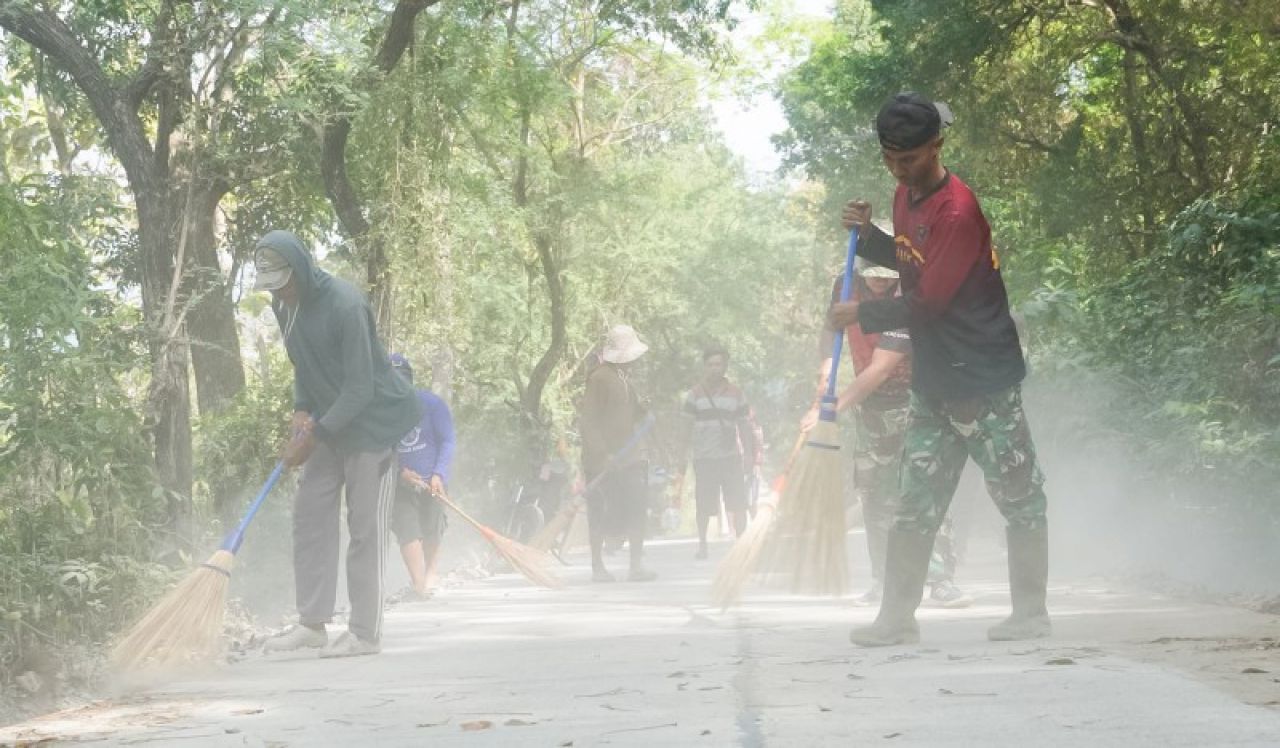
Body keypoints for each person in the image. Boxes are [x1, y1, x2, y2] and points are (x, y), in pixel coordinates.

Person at [831, 93, 1050, 646]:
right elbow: (911, 260)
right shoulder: (905, 195)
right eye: (889, 159)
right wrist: (871, 236)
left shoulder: (958, 211)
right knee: (913, 504)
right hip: (934, 381)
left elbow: (928, 299)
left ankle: (1031, 613)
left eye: (907, 159)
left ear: (937, 146)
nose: (897, 169)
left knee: (1019, 497)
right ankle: (896, 619)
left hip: (984, 379)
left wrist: (862, 313)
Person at [253, 230, 420, 658]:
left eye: (284, 284)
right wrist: (301, 409)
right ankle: (312, 624)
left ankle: (365, 633)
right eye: (272, 287)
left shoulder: (345, 305)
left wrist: (315, 436)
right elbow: (303, 365)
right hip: (331, 420)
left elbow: (361, 388)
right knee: (309, 515)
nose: (280, 293)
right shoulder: (284, 306)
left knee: (365, 529)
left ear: (301, 270)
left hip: (373, 424)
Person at [805, 257, 972, 609]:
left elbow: (881, 368)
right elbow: (831, 327)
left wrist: (831, 409)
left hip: (918, 402)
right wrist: (826, 368)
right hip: (871, 409)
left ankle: (940, 580)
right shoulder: (845, 285)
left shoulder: (910, 294)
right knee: (874, 494)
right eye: (874, 278)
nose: (880, 284)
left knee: (924, 487)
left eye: (887, 278)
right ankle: (885, 580)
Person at [579, 324, 657, 583]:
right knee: (599, 511)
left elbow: (631, 413)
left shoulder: (624, 378)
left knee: (636, 506)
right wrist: (603, 454)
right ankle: (597, 566)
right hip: (602, 460)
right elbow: (589, 421)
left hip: (629, 457)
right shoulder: (600, 378)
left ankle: (636, 565)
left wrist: (643, 410)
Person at [676, 346, 757, 559]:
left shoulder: (736, 394)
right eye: (710, 364)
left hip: (730, 458)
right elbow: (685, 428)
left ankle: (741, 545)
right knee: (703, 505)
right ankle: (702, 544)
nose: (714, 368)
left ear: (725, 366)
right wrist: (681, 456)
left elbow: (745, 425)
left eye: (718, 364)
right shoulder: (694, 395)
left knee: (738, 503)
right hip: (704, 459)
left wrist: (749, 455)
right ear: (705, 367)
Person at [388, 353, 456, 601]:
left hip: (432, 481)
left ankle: (430, 574)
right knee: (407, 529)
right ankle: (418, 583)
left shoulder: (431, 404)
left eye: (401, 378)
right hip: (401, 484)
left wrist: (439, 474)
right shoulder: (381, 412)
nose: (397, 384)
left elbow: (447, 440)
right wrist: (399, 472)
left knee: (432, 528)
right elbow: (380, 449)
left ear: (409, 379)